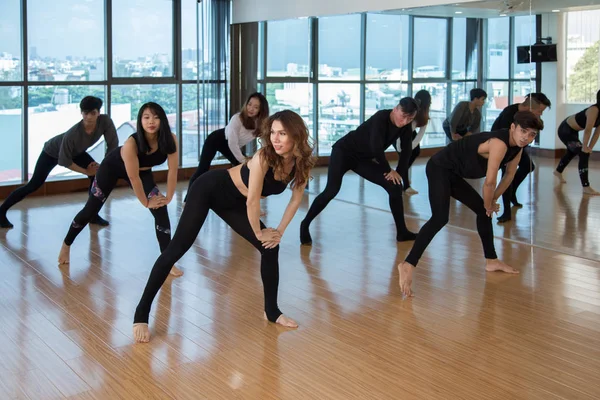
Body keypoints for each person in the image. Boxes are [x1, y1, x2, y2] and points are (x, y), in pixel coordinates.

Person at [132, 110, 315, 343]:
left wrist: (278, 232)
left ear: (296, 136)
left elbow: (296, 200)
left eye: (282, 134)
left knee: (270, 247)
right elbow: (253, 200)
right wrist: (260, 232)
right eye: (272, 133)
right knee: (176, 249)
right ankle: (141, 314)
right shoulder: (264, 157)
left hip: (235, 201)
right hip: (210, 189)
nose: (275, 139)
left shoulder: (301, 162)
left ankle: (272, 312)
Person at [397, 111, 544, 297]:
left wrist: (492, 201)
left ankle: (491, 260)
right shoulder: (499, 143)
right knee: (440, 217)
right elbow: (489, 182)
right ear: (513, 127)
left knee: (484, 212)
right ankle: (408, 264)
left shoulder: (518, 148)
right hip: (439, 167)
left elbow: (509, 175)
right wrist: (489, 202)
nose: (526, 137)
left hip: (453, 172)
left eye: (532, 134)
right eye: (523, 131)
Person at [58, 102, 182, 276]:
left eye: (156, 117)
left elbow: (173, 170)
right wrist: (146, 202)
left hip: (143, 172)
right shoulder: (132, 143)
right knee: (90, 210)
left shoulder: (170, 139)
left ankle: (167, 262)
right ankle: (66, 245)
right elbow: (133, 178)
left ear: (162, 120)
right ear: (140, 121)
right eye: (146, 117)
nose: (151, 121)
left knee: (161, 208)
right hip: (112, 168)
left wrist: (168, 197)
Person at [300, 97, 419, 246]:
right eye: (403, 117)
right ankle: (305, 224)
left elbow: (407, 149)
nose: (405, 122)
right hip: (344, 152)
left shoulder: (406, 125)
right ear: (395, 109)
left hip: (362, 159)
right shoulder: (380, 118)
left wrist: (399, 172)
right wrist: (388, 169)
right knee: (331, 191)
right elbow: (376, 147)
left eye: (410, 119)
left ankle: (402, 232)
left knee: (394, 186)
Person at [0, 96, 118, 229]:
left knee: (96, 176)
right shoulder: (73, 134)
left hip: (77, 152)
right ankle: (1, 211)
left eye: (93, 113)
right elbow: (64, 161)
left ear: (98, 113)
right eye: (86, 113)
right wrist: (86, 171)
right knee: (34, 184)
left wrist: (102, 166)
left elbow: (112, 144)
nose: (89, 117)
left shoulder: (105, 121)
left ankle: (92, 214)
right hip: (51, 153)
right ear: (81, 113)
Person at [184, 92, 269, 202]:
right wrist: (244, 161)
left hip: (231, 145)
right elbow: (232, 143)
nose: (251, 109)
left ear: (261, 110)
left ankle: (250, 203)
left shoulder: (260, 124)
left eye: (256, 107)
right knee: (202, 169)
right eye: (249, 104)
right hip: (217, 139)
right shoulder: (237, 118)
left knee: (247, 171)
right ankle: (187, 201)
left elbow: (265, 142)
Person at [492, 93, 552, 222]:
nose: (540, 114)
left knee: (527, 166)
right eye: (539, 110)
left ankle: (512, 192)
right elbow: (504, 136)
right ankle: (506, 211)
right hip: (501, 146)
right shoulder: (510, 113)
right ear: (531, 107)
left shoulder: (529, 116)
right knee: (506, 175)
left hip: (516, 147)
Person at [554, 89, 600, 195]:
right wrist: (585, 147)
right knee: (583, 154)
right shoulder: (594, 110)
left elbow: (597, 133)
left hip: (573, 131)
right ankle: (586, 187)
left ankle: (558, 171)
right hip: (565, 130)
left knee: (574, 151)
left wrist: (590, 148)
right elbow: (588, 130)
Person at [396, 90, 431, 195]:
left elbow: (420, 134)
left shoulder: (424, 114)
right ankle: (405, 186)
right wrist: (400, 148)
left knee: (415, 152)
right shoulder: (409, 109)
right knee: (404, 159)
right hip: (398, 132)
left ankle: (400, 173)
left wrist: (410, 148)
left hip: (410, 133)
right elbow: (399, 131)